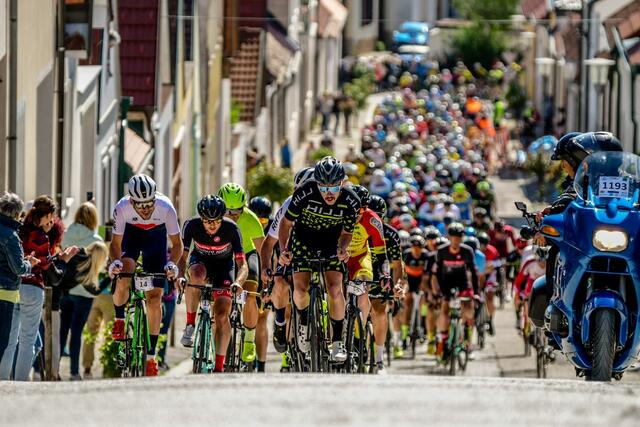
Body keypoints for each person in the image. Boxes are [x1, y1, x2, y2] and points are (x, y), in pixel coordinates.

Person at [278, 157, 361, 362]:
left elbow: (347, 233)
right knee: (300, 288)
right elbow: (286, 225)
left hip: (331, 242)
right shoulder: (304, 193)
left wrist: (343, 248)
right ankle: (304, 323)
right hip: (303, 240)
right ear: (316, 184)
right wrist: (283, 250)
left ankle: (337, 342)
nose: (329, 193)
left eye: (333, 188)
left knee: (334, 288)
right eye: (323, 188)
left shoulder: (352, 201)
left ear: (342, 183)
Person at [108, 174, 183, 377]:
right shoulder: (122, 207)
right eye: (140, 205)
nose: (146, 209)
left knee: (154, 297)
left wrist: (171, 264)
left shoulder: (166, 207)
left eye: (149, 204)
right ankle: (120, 318)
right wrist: (115, 262)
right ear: (131, 200)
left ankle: (151, 358)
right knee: (124, 272)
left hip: (156, 239)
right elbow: (115, 244)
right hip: (132, 236)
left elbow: (177, 245)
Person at [1, 196, 78, 381]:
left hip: (15, 288)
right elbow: (53, 275)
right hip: (33, 288)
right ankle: (19, 382)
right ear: (48, 215)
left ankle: (3, 381)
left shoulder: (18, 230)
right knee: (28, 341)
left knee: (10, 340)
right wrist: (62, 260)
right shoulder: (41, 237)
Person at [178, 195, 248, 372]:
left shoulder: (231, 228)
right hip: (200, 263)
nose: (211, 225)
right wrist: (180, 276)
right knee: (195, 276)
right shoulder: (191, 225)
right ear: (200, 218)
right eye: (207, 221)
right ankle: (190, 324)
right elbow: (182, 256)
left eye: (216, 221)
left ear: (222, 218)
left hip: (224, 267)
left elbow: (242, 264)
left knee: (222, 316)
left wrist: (238, 283)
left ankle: (219, 367)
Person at [259, 167, 316, 371]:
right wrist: (266, 268)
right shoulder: (289, 205)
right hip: (292, 254)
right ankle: (281, 322)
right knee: (281, 282)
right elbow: (268, 243)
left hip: (317, 254)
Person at [217, 183, 265, 370]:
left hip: (248, 255)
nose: (234, 215)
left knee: (251, 295)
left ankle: (249, 341)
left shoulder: (251, 219)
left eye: (238, 210)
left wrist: (266, 275)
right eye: (229, 211)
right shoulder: (214, 217)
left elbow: (262, 250)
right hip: (224, 255)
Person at [59, 202, 105, 380]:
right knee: (77, 332)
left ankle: (53, 369)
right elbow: (99, 269)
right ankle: (73, 372)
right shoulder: (96, 241)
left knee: (62, 330)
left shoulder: (66, 235)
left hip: (66, 289)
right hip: (85, 293)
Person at [346, 185, 390, 373]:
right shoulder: (339, 214)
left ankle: (359, 334)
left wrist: (384, 274)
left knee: (363, 291)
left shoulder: (372, 219)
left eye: (363, 209)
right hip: (339, 258)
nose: (359, 213)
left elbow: (381, 253)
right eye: (355, 208)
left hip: (360, 258)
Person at [0, 193, 39, 365]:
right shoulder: (11, 235)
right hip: (5, 294)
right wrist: (29, 264)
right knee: (2, 341)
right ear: (17, 214)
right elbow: (18, 268)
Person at [431, 223, 477, 358]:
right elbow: (437, 273)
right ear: (449, 237)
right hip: (447, 282)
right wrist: (437, 292)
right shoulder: (442, 251)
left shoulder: (467, 251)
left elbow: (473, 273)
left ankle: (467, 340)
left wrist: (476, 293)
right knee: (444, 308)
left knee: (468, 309)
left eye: (459, 237)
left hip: (462, 282)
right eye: (454, 237)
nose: (456, 240)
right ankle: (444, 340)